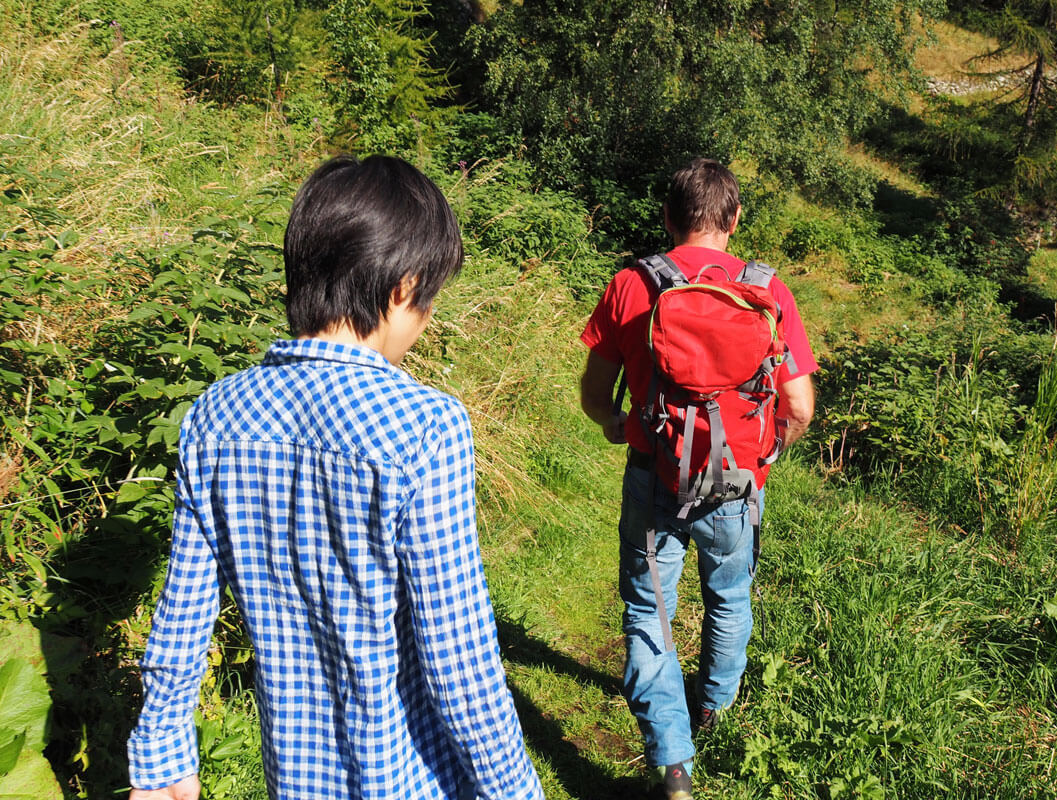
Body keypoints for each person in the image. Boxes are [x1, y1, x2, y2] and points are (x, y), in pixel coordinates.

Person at [127, 155, 545, 800]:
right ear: (404, 287)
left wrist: (160, 754)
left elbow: (184, 610)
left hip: (296, 777)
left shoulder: (215, 416)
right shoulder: (426, 427)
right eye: (428, 301)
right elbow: (460, 665)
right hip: (416, 776)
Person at [579, 158, 817, 800]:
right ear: (734, 220)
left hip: (654, 475)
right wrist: (762, 458)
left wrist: (615, 424)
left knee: (649, 609)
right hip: (739, 483)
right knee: (730, 597)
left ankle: (674, 763)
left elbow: (596, 393)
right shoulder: (769, 290)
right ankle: (713, 709)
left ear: (666, 219)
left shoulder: (633, 284)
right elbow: (799, 406)